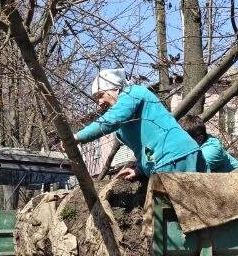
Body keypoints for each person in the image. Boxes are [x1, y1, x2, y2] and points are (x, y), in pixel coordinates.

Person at [74, 68, 202, 179]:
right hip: (173, 159)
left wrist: (78, 137)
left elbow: (112, 119)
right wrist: (140, 168)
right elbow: (144, 147)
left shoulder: (132, 93)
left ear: (115, 88)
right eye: (96, 99)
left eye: (101, 95)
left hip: (173, 159)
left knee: (167, 207)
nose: (99, 102)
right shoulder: (124, 124)